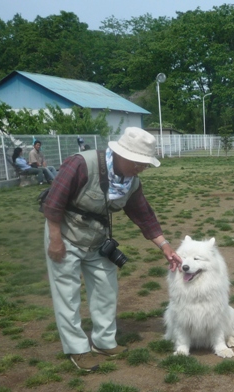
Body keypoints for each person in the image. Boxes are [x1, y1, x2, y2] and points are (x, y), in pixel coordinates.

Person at [42, 127, 182, 371]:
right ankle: (77, 348)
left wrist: (165, 247)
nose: (142, 167)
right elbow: (54, 202)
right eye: (139, 162)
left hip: (98, 240)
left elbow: (144, 216)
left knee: (107, 290)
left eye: (145, 163)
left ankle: (104, 342)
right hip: (64, 235)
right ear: (121, 154)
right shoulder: (81, 164)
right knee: (67, 294)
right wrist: (55, 240)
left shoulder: (131, 182)